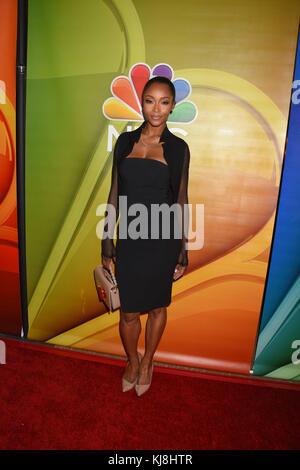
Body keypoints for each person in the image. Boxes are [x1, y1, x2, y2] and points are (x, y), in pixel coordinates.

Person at [101, 76, 190, 396]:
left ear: (172, 106)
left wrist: (182, 248)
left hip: (163, 239)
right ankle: (131, 360)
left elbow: (181, 198)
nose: (157, 109)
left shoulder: (179, 148)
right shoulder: (124, 142)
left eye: (164, 102)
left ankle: (149, 360)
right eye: (150, 100)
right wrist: (107, 237)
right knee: (127, 311)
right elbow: (114, 192)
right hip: (132, 238)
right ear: (142, 102)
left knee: (156, 306)